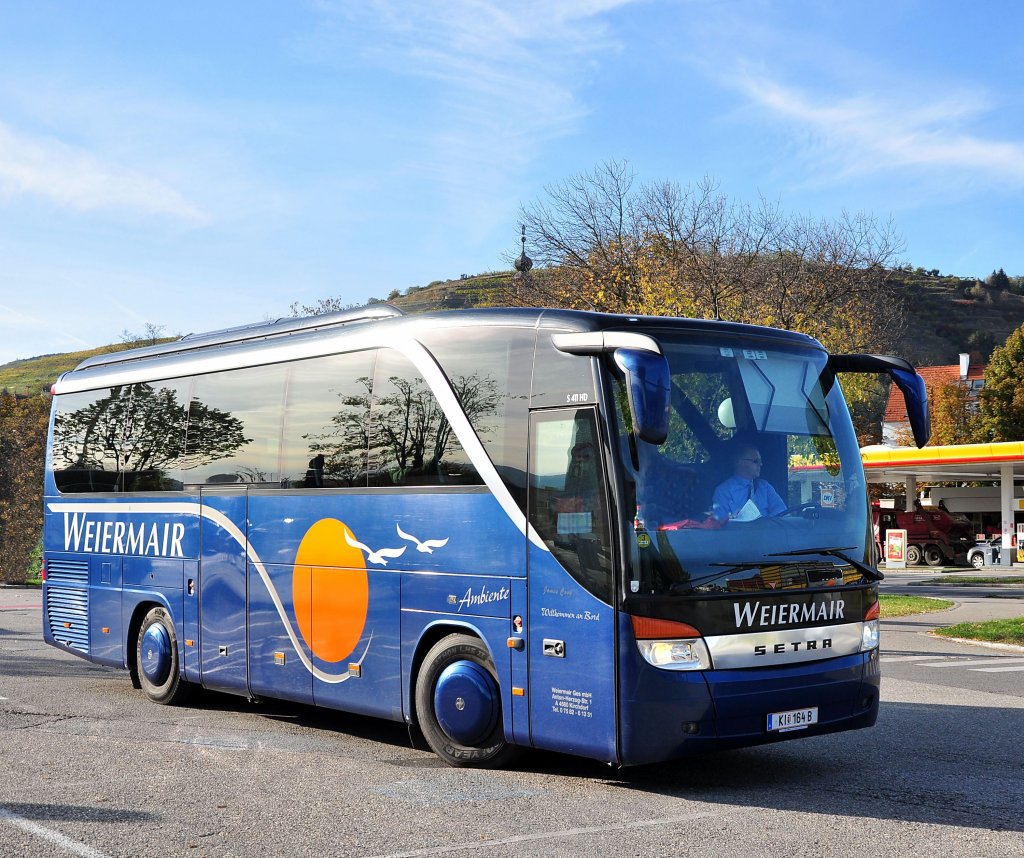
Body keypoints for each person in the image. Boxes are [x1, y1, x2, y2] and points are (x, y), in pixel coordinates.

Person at [712, 444, 787, 522]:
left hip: (767, 533)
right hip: (738, 533)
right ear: (739, 462)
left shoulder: (765, 487)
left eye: (761, 461)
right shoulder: (723, 491)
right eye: (756, 461)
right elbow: (721, 524)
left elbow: (782, 513)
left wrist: (765, 524)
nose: (761, 464)